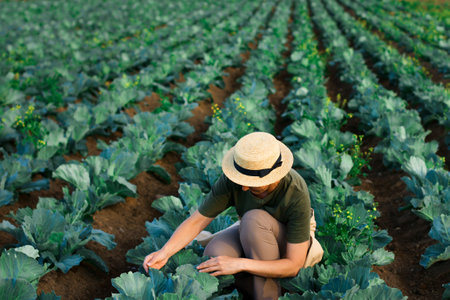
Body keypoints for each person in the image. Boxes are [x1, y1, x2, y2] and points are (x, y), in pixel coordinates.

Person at [143, 131, 321, 299]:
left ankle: (268, 296)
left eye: (251, 183)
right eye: (241, 180)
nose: (243, 187)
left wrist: (240, 263)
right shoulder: (233, 180)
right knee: (214, 255)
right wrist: (164, 253)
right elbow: (197, 221)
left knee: (253, 220)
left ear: (273, 177)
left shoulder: (295, 190)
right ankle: (261, 290)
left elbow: (293, 264)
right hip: (251, 234)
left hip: (285, 246)